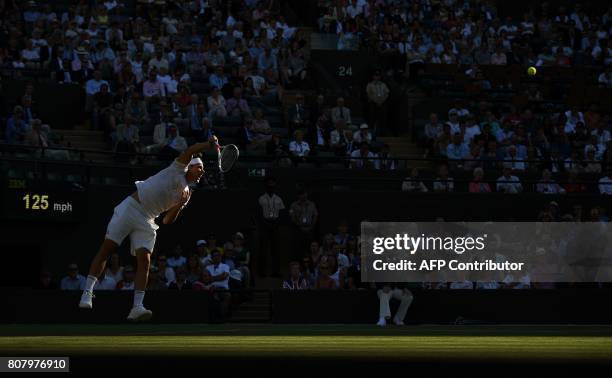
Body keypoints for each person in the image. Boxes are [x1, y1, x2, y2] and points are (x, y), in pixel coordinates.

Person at [78, 135, 219, 321]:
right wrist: (209, 144)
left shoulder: (187, 193)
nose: (201, 171)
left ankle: (137, 307)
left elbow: (167, 221)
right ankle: (87, 292)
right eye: (199, 167)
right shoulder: (176, 168)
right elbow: (192, 149)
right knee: (108, 249)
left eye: (202, 169)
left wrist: (178, 206)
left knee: (144, 261)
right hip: (132, 208)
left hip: (148, 219)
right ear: (190, 166)